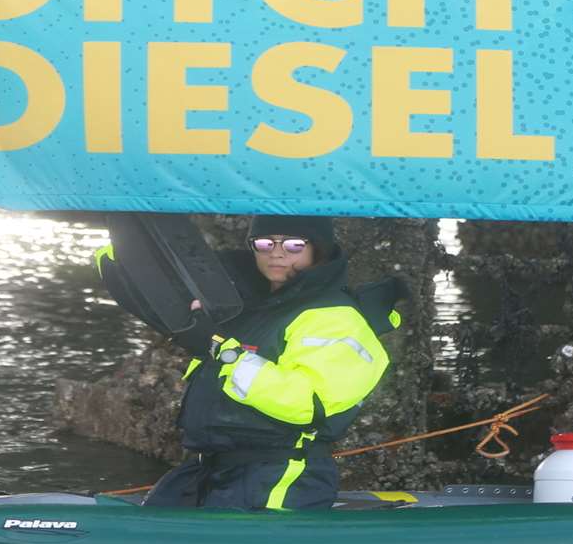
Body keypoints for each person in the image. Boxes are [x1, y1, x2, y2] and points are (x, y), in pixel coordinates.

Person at [97, 215, 397, 510]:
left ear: (318, 249)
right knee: (158, 523)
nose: (276, 253)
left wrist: (221, 352)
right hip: (210, 467)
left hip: (278, 478)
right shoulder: (247, 304)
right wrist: (124, 239)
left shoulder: (337, 318)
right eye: (264, 243)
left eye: (293, 245)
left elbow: (307, 404)